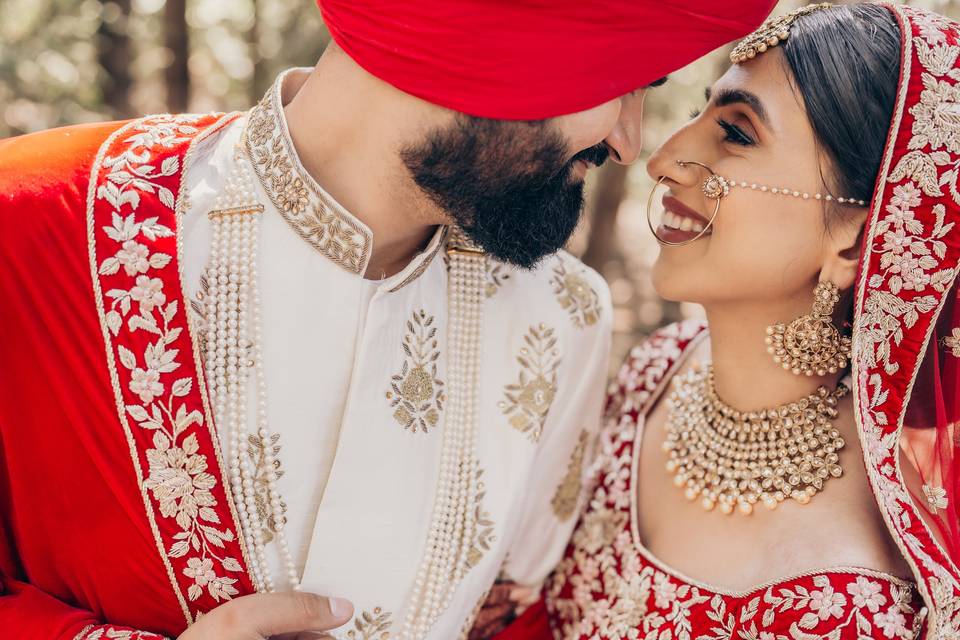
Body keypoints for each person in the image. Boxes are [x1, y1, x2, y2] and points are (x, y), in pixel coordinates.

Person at [0, 1, 778, 638]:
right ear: (494, 44)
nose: (629, 139)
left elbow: (518, 619)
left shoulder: (564, 316)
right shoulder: (36, 223)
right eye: (622, 83)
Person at [497, 3, 960, 639]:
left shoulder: (855, 609)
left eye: (737, 134)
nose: (663, 158)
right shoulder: (658, 368)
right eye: (699, 114)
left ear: (855, 240)